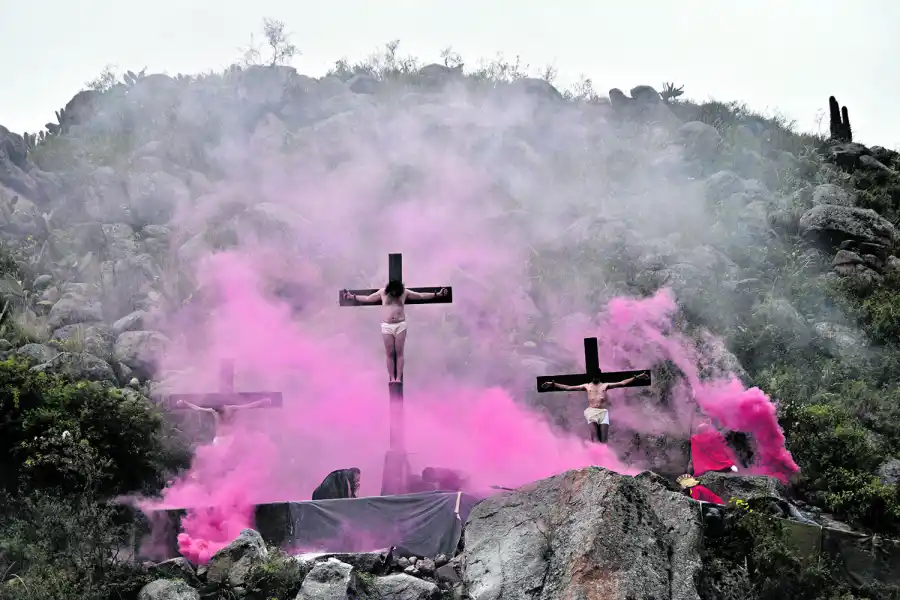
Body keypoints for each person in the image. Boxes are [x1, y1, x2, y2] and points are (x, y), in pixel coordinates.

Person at [343, 280, 448, 383]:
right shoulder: (383, 292)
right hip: (387, 325)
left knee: (399, 352)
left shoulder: (404, 292)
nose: (394, 295)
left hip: (400, 325)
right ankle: (392, 378)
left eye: (396, 293)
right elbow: (368, 298)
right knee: (389, 353)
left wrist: (437, 294)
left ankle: (398, 378)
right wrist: (352, 296)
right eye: (393, 293)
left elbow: (420, 296)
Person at [541, 372, 649, 443]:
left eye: (597, 375)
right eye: (593, 375)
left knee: (604, 439)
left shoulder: (605, 385)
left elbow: (622, 383)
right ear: (591, 376)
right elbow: (568, 387)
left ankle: (604, 461)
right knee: (594, 435)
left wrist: (637, 377)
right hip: (591, 412)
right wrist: (553, 384)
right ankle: (595, 459)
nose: (595, 377)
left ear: (599, 376)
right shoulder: (587, 386)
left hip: (603, 412)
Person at [176, 397, 274, 445]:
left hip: (229, 439)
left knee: (229, 461)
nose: (219, 413)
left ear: (223, 407)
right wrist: (185, 403)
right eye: (217, 411)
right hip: (218, 439)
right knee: (215, 461)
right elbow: (198, 408)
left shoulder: (231, 409)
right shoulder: (213, 411)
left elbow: (247, 406)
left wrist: (262, 402)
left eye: (220, 411)